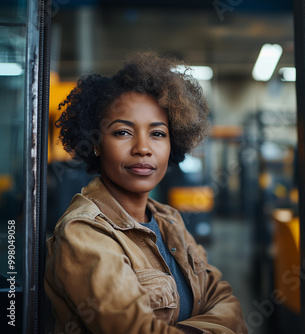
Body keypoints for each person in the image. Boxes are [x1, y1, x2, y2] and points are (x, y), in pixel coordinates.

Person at [44, 51, 247, 334]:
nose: (143, 148)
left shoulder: (169, 221)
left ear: (173, 142)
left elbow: (230, 307)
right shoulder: (83, 232)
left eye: (158, 133)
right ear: (97, 142)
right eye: (123, 132)